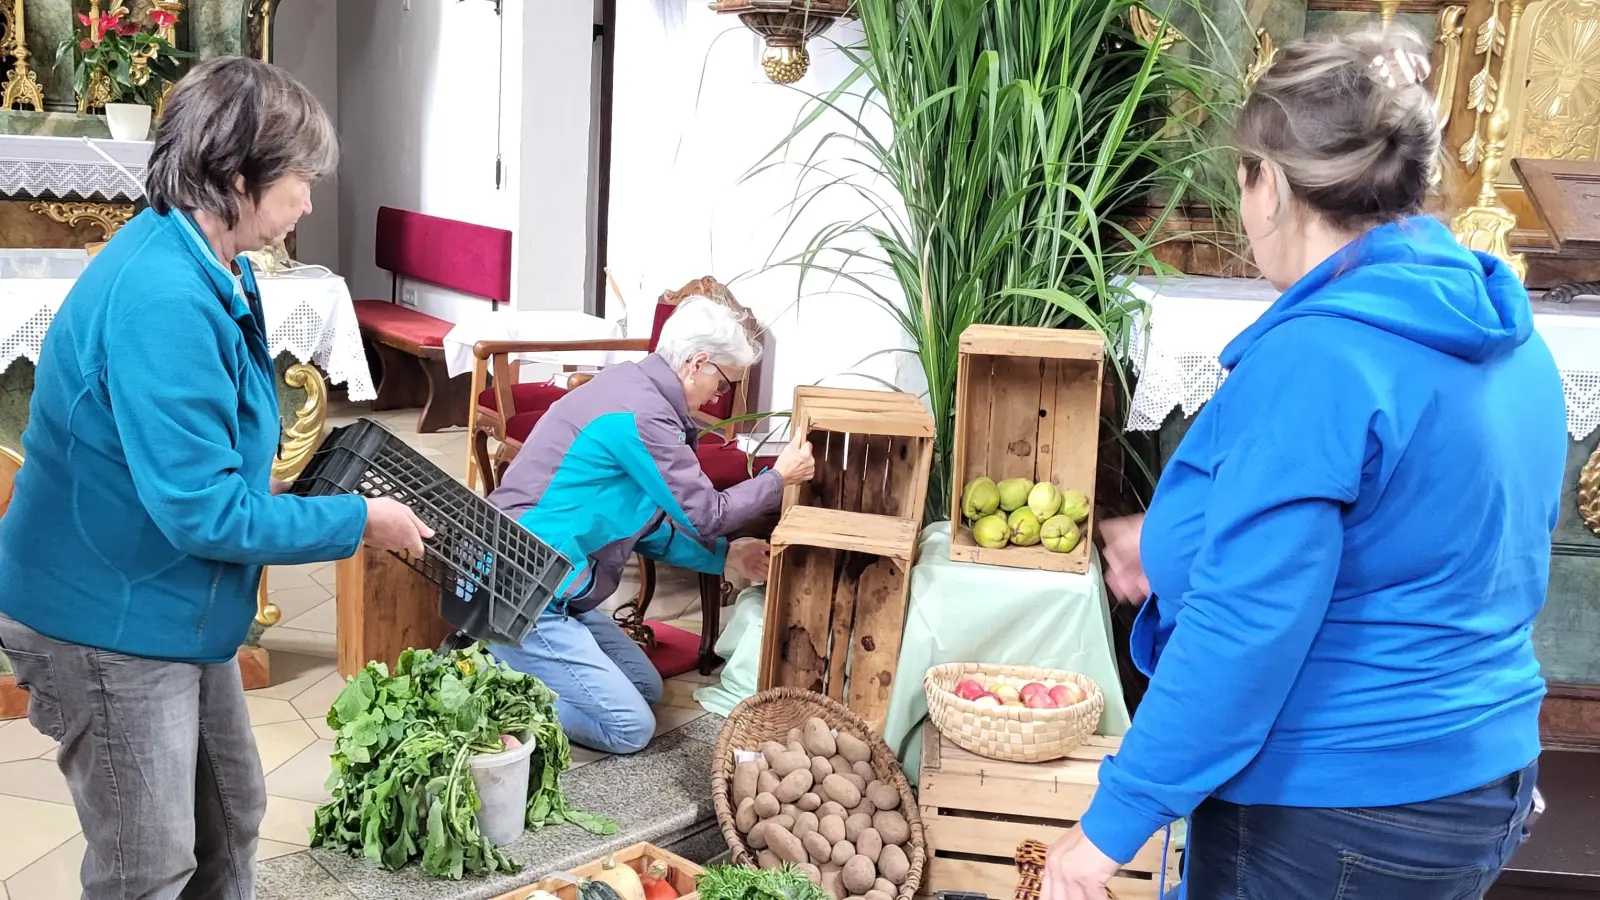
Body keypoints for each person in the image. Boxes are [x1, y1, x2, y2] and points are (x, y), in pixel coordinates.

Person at [1044, 29, 1564, 900]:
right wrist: (1175, 542)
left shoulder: (1320, 359)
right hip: (1484, 778)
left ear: (1273, 184)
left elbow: (1247, 629)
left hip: (1335, 804)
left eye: (1241, 180)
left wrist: (1108, 828)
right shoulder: (1508, 338)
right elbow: (1452, 539)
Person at [0, 58, 431, 899]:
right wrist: (357, 520)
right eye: (299, 178)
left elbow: (220, 447)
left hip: (167, 601)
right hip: (107, 614)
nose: (309, 199)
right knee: (147, 864)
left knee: (229, 819)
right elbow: (205, 514)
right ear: (238, 178)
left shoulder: (214, 261)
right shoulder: (162, 292)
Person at [488, 298, 815, 753]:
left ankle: (516, 665)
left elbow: (646, 525)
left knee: (647, 688)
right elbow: (707, 513)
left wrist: (726, 555)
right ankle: (493, 687)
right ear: (697, 364)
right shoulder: (643, 414)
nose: (718, 397)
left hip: (554, 584)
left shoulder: (633, 386)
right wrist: (778, 479)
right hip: (524, 587)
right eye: (722, 384)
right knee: (629, 728)